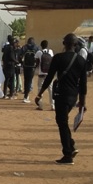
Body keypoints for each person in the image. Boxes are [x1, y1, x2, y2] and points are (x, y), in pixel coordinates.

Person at [35, 33, 87, 165]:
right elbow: (83, 84)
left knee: (62, 123)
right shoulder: (81, 60)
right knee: (63, 122)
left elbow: (49, 78)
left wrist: (40, 93)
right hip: (73, 96)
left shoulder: (58, 58)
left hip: (61, 95)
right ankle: (71, 145)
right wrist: (82, 103)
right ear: (76, 45)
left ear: (64, 44)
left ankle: (68, 154)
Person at [35, 40, 55, 110]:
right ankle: (52, 105)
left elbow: (37, 63)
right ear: (47, 45)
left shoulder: (38, 52)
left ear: (41, 45)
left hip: (41, 73)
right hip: (49, 73)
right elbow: (52, 61)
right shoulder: (51, 51)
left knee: (40, 89)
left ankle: (40, 105)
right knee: (51, 89)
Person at [21, 37, 38, 103]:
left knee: (26, 80)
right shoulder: (36, 48)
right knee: (29, 80)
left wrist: (22, 63)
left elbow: (20, 56)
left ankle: (26, 95)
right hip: (32, 67)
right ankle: (26, 96)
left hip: (25, 66)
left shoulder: (24, 47)